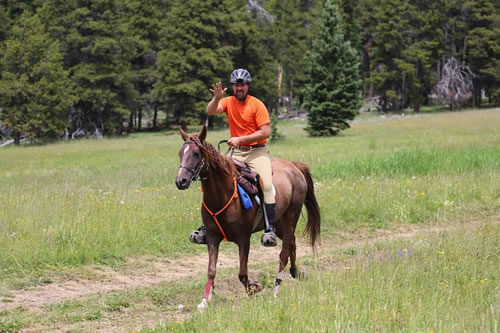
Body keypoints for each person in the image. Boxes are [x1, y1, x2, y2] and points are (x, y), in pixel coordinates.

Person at [190, 68, 277, 247]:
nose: (240, 88)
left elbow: (266, 131)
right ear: (232, 87)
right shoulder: (228, 102)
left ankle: (270, 229)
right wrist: (216, 98)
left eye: (243, 85)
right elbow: (211, 111)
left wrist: (240, 139)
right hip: (237, 152)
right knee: (215, 179)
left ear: (248, 86)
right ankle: (207, 226)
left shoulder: (257, 104)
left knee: (266, 185)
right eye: (237, 85)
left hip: (256, 152)